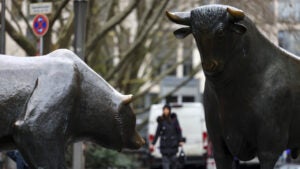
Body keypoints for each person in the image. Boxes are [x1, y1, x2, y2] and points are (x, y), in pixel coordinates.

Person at [151, 105, 184, 169]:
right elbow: (157, 133)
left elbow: (178, 131)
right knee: (165, 164)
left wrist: (180, 140)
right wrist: (153, 143)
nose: (165, 111)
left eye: (167, 110)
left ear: (169, 110)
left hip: (173, 145)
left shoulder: (174, 120)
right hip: (164, 146)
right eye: (164, 110)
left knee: (174, 163)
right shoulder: (161, 121)